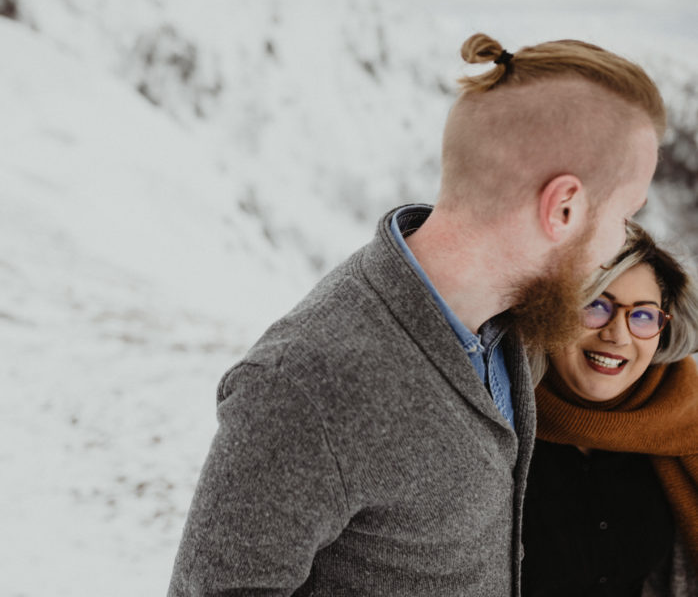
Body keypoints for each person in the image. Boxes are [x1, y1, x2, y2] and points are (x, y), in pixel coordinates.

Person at [169, 33, 666, 596]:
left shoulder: (509, 328)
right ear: (564, 208)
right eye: (625, 215)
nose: (620, 244)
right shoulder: (307, 384)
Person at [522, 222, 698, 597]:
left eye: (644, 315)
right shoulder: (498, 413)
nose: (618, 335)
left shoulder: (682, 421)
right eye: (596, 305)